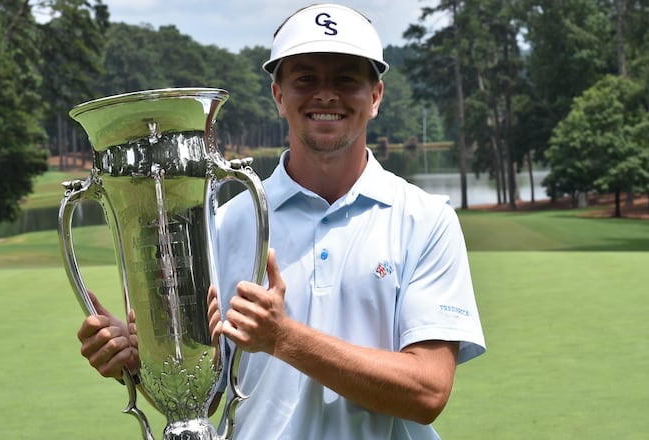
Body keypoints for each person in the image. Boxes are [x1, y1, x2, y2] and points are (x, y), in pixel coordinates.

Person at [77, 3, 486, 439]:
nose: (325, 94)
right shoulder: (224, 222)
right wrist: (146, 362)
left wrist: (283, 339)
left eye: (346, 79)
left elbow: (427, 393)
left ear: (376, 96)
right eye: (305, 78)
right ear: (278, 96)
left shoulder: (425, 219)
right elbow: (207, 396)